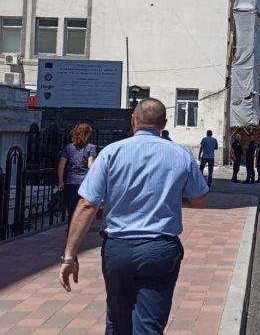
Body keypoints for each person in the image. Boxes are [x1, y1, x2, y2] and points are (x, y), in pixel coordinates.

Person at [58, 98, 208, 334]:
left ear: (134, 120)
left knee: (118, 320)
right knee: (149, 325)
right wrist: (168, 197)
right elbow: (199, 200)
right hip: (160, 249)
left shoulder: (112, 153)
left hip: (119, 249)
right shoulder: (181, 155)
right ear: (164, 124)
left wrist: (70, 256)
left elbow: (87, 205)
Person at [57, 123, 97, 232]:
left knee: (71, 210)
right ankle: (80, 231)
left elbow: (61, 166)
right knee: (83, 209)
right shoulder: (91, 147)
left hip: (71, 181)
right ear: (87, 134)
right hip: (84, 182)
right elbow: (90, 165)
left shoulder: (68, 148)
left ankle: (70, 230)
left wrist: (61, 181)